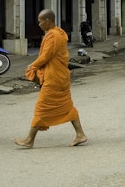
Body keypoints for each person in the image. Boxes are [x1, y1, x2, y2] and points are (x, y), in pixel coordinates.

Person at [13, 9, 87, 148]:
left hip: (54, 78)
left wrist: (32, 66)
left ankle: (29, 140)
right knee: (67, 106)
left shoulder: (53, 36)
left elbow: (45, 56)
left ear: (47, 21)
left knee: (42, 107)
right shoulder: (58, 33)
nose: (39, 24)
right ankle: (80, 134)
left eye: (40, 21)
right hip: (60, 76)